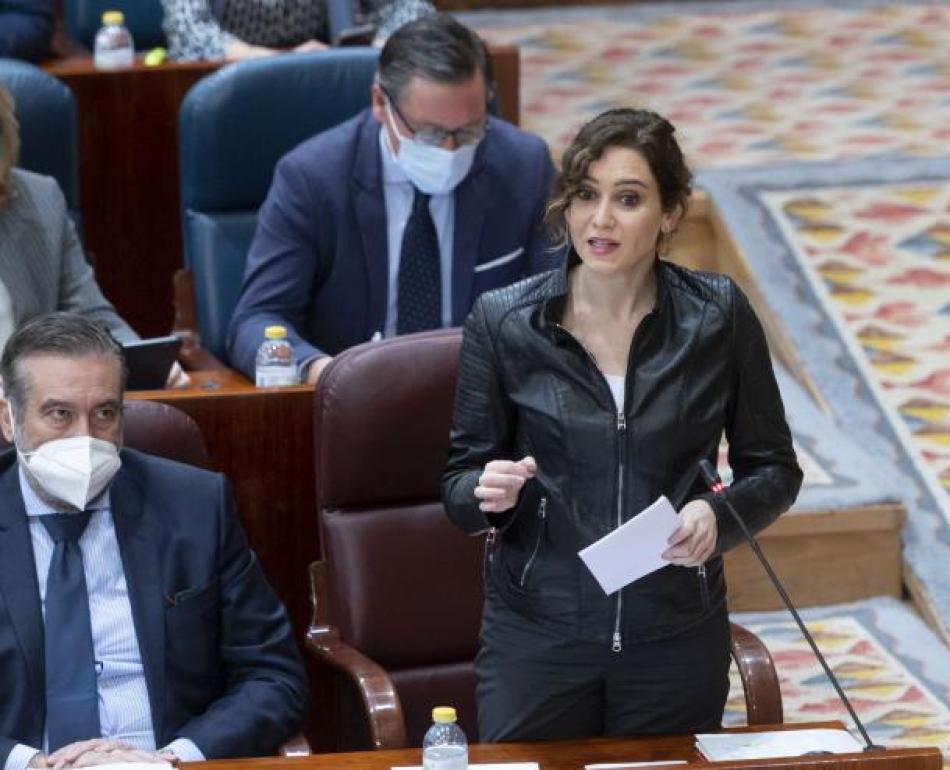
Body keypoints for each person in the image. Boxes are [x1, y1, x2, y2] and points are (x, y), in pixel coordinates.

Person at [441, 108, 803, 741]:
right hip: (539, 637)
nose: (599, 219)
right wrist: (485, 494)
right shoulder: (503, 322)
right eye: (585, 195)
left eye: (627, 198)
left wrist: (718, 516)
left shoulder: (718, 317)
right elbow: (459, 486)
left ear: (669, 215)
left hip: (674, 634)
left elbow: (773, 470)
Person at [0, 313, 308, 769]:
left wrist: (173, 757)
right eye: (59, 414)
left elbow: (274, 676)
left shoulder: (195, 506)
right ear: (8, 418)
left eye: (104, 413)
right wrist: (28, 762)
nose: (85, 438)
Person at [227, 13, 557, 384]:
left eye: (468, 131)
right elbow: (257, 319)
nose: (450, 150)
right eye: (431, 134)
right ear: (380, 104)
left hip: (486, 406)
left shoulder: (523, 165)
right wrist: (326, 374)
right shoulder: (312, 178)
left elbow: (560, 306)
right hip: (354, 409)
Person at [0, 87, 187, 388]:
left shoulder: (39, 200)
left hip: (39, 420)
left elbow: (89, 316)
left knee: (164, 428)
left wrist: (142, 366)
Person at [161, 0, 433, 61]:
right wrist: (285, 62)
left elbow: (411, 7)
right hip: (227, 85)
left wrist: (372, 52)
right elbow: (188, 32)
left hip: (329, 81)